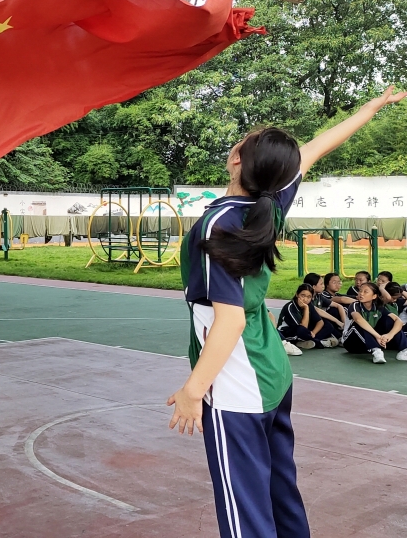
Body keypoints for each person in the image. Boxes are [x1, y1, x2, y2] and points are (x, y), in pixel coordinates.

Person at [169, 86, 405, 538]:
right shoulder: (269, 205)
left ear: (238, 158)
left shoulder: (219, 223)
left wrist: (193, 390)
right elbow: (318, 147)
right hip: (272, 371)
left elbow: (230, 319)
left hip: (238, 382)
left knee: (245, 511)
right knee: (280, 493)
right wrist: (371, 108)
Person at [344, 282, 407, 364]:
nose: (361, 294)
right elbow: (358, 319)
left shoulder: (378, 307)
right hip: (353, 343)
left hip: (371, 341)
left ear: (374, 296)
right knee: (359, 324)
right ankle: (376, 351)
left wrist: (389, 335)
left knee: (389, 320)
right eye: (360, 291)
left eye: (365, 292)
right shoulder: (355, 305)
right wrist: (378, 336)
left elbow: (399, 321)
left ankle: (404, 350)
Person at [277, 284, 338, 349]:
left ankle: (307, 341)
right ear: (297, 294)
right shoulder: (290, 307)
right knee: (301, 330)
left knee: (328, 325)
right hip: (287, 332)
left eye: (309, 297)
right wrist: (306, 308)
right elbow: (303, 327)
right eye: (303, 296)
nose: (305, 299)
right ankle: (320, 343)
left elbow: (320, 322)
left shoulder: (309, 304)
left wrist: (313, 333)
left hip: (306, 332)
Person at [303, 272, 345, 337]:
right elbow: (317, 310)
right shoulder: (305, 298)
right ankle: (314, 340)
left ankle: (341, 336)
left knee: (334, 311)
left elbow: (338, 305)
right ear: (314, 287)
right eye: (321, 284)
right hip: (306, 323)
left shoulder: (318, 296)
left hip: (317, 321)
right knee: (327, 325)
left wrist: (344, 323)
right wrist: (338, 322)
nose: (323, 286)